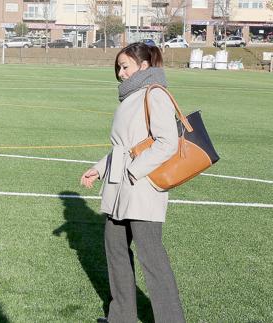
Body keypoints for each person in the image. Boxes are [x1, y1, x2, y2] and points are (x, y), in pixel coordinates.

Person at [81, 42, 185, 322]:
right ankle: (121, 318)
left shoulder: (155, 94)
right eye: (118, 67)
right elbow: (123, 147)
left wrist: (133, 171)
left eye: (125, 66)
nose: (120, 72)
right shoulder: (132, 97)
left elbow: (167, 143)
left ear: (144, 66)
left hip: (141, 188)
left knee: (152, 258)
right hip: (119, 187)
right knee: (115, 252)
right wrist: (100, 169)